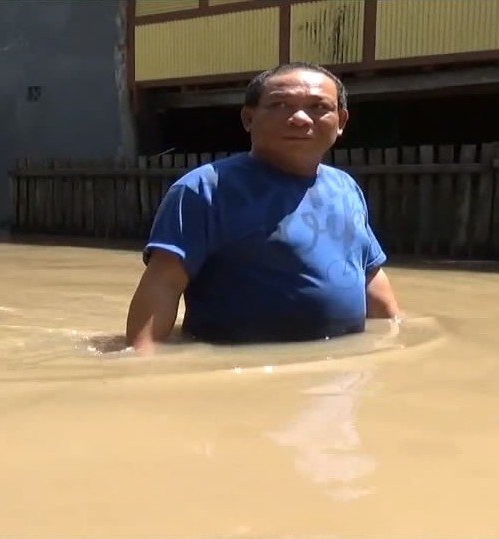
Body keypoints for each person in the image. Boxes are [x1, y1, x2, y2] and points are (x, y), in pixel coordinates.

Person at [124, 62, 401, 353]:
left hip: (341, 373)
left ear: (341, 120)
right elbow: (164, 283)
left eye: (319, 107)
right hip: (241, 372)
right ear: (248, 119)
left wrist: (395, 339)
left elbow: (368, 272)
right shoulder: (204, 189)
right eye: (280, 104)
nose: (300, 118)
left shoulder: (345, 187)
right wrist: (143, 363)